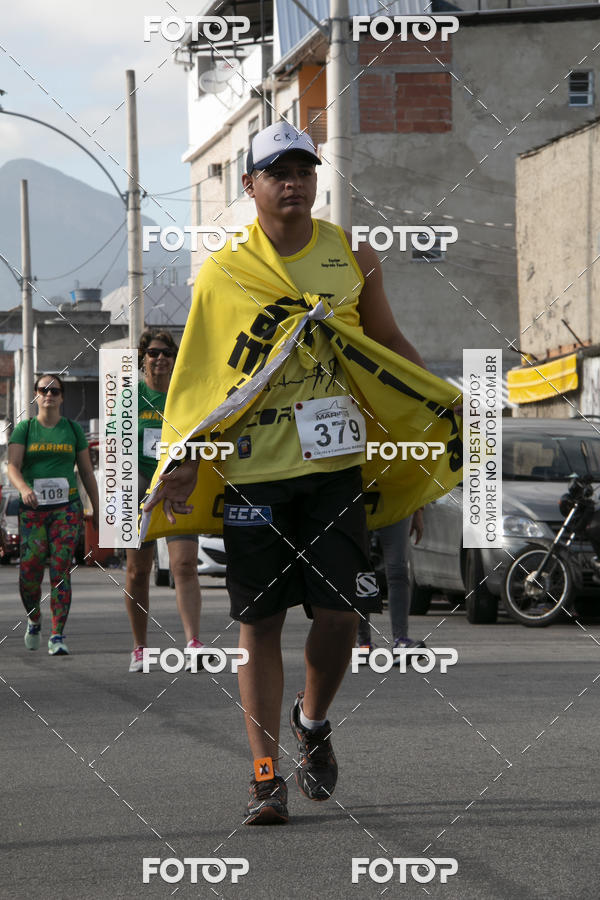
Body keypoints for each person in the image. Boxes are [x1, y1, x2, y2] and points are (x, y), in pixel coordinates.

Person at [143, 121, 461, 825]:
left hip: (335, 466)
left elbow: (387, 347)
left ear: (317, 180)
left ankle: (311, 722)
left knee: (340, 616)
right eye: (277, 172)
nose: (293, 182)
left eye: (304, 170)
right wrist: (186, 460)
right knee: (258, 623)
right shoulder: (224, 271)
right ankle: (264, 778)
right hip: (255, 474)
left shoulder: (352, 254)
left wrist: (440, 412)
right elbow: (199, 378)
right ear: (250, 186)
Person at [125, 330, 205, 673]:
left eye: (167, 354)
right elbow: (117, 448)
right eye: (153, 353)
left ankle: (192, 642)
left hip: (174, 484)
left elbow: (201, 438)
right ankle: (140, 647)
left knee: (184, 565)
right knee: (137, 571)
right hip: (140, 484)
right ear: (143, 358)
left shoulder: (185, 394)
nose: (160, 359)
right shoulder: (131, 397)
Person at [7, 373, 99, 655]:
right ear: (36, 395)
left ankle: (57, 635)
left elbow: (85, 471)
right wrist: (23, 488)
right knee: (30, 572)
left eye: (55, 390)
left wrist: (96, 508)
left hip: (65, 510)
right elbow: (12, 466)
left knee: (60, 571)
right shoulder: (25, 428)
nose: (49, 394)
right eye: (43, 390)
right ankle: (34, 619)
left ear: (61, 396)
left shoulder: (72, 430)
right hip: (33, 511)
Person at [357, 512, 428, 660]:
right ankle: (362, 644)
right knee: (361, 571)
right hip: (361, 502)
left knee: (398, 571)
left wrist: (418, 510)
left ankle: (401, 641)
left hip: (398, 502)